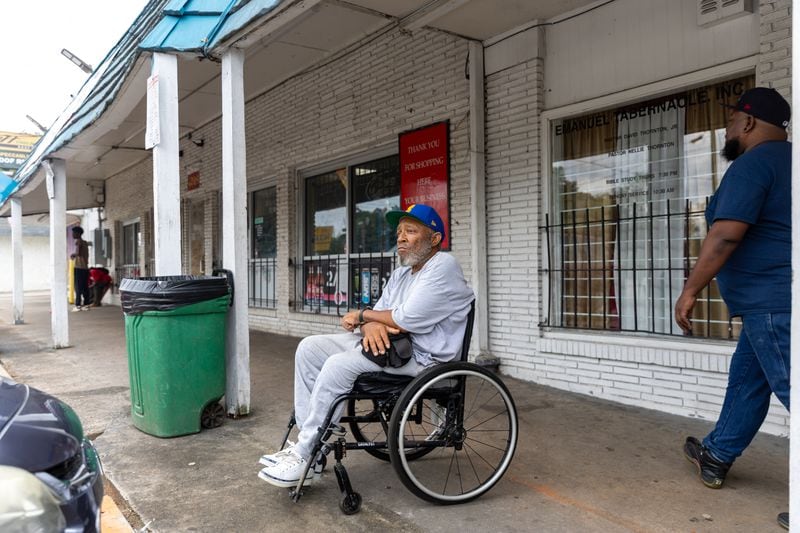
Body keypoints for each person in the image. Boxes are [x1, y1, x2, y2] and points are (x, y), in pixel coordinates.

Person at [258, 204, 474, 488]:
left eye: (410, 231)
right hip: (394, 346)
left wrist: (364, 316)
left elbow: (405, 319)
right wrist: (370, 323)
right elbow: (382, 314)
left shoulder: (443, 265)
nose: (401, 238)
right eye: (398, 232)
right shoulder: (401, 275)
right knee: (309, 348)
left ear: (434, 239)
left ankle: (305, 453)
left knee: (338, 365)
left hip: (423, 358)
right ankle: (313, 448)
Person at [674, 87, 790, 528]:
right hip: (773, 303)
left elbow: (725, 235)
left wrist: (690, 291)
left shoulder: (754, 164)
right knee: (747, 381)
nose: (725, 129)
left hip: (772, 305)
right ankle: (717, 453)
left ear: (746, 122)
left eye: (729, 121)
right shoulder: (790, 162)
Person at [70, 226, 91, 312]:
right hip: (85, 268)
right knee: (85, 287)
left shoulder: (78, 242)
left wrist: (73, 255)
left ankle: (78, 305)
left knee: (78, 287)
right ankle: (86, 304)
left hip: (79, 267)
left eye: (74, 233)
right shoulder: (85, 242)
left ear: (78, 234)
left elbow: (78, 252)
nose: (72, 235)